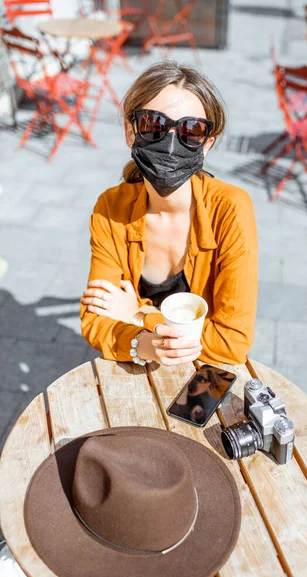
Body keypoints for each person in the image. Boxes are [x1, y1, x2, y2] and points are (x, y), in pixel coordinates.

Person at [80, 61, 258, 366]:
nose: (171, 142)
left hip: (204, 376)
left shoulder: (230, 210)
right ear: (129, 131)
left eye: (191, 130)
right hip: (134, 371)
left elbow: (232, 342)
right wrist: (148, 346)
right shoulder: (111, 208)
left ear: (207, 144)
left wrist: (139, 316)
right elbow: (95, 320)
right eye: (154, 125)